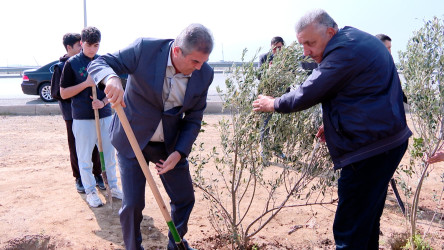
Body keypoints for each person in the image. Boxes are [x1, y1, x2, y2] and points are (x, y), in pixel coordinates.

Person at [252, 9, 411, 249]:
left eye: (310, 43)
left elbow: (309, 91)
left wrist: (273, 103)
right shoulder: (354, 40)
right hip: (386, 141)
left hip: (370, 149)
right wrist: (333, 124)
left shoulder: (343, 50)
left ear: (330, 32)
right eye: (302, 44)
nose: (306, 51)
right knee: (366, 221)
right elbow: (360, 93)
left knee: (349, 228)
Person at [87, 23, 214, 250]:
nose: (199, 68)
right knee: (133, 204)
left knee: (185, 198)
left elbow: (194, 118)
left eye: (203, 62)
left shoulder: (205, 74)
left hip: (168, 145)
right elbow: (100, 62)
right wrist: (112, 78)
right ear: (177, 51)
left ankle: (176, 244)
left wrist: (179, 152)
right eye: (195, 61)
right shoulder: (145, 50)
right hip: (132, 137)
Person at [60, 26, 123, 208]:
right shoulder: (71, 64)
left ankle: (113, 186)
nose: (92, 50)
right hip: (82, 118)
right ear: (81, 43)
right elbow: (63, 93)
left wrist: (103, 102)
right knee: (85, 157)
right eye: (89, 45)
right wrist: (86, 83)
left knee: (110, 155)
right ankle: (90, 191)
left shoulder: (102, 62)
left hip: (105, 115)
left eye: (96, 46)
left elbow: (112, 86)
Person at [50, 33, 105, 193]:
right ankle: (79, 177)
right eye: (78, 46)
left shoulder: (91, 62)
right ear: (69, 48)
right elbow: (57, 93)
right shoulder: (61, 66)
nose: (82, 48)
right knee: (76, 148)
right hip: (72, 114)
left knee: (95, 145)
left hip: (91, 111)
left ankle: (97, 174)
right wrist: (78, 94)